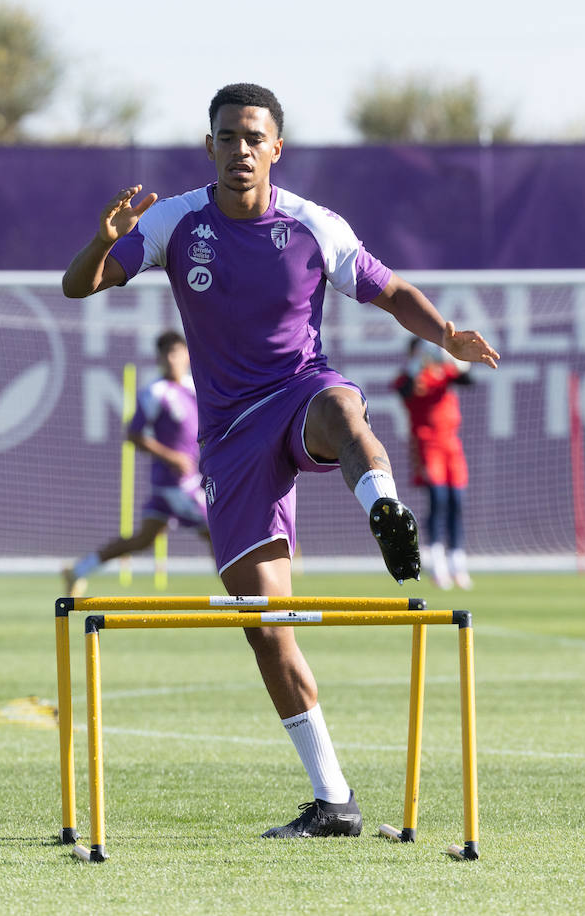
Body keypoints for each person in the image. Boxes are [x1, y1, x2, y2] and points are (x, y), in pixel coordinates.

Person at [61, 83, 499, 839]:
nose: (240, 150)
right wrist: (104, 240)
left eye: (253, 138)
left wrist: (447, 334)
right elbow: (79, 287)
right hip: (229, 437)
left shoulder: (313, 225)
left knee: (341, 406)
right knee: (266, 627)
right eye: (227, 137)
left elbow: (391, 292)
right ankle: (335, 802)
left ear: (276, 148)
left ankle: (384, 510)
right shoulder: (173, 222)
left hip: (299, 391)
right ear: (210, 146)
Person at [63, 330, 211, 596]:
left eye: (175, 352)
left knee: (142, 540)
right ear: (158, 358)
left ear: (187, 356)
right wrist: (171, 456)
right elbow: (133, 435)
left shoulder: (195, 388)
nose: (170, 358)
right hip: (174, 483)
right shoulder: (154, 393)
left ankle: (78, 571)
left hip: (188, 480)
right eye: (165, 353)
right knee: (215, 529)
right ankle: (242, 595)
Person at [393, 338, 474, 590]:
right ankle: (436, 560)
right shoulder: (412, 377)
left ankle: (457, 560)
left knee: (456, 502)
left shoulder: (443, 372)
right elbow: (403, 389)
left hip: (451, 445)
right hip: (428, 444)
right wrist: (418, 361)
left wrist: (449, 357)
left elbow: (466, 380)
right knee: (437, 500)